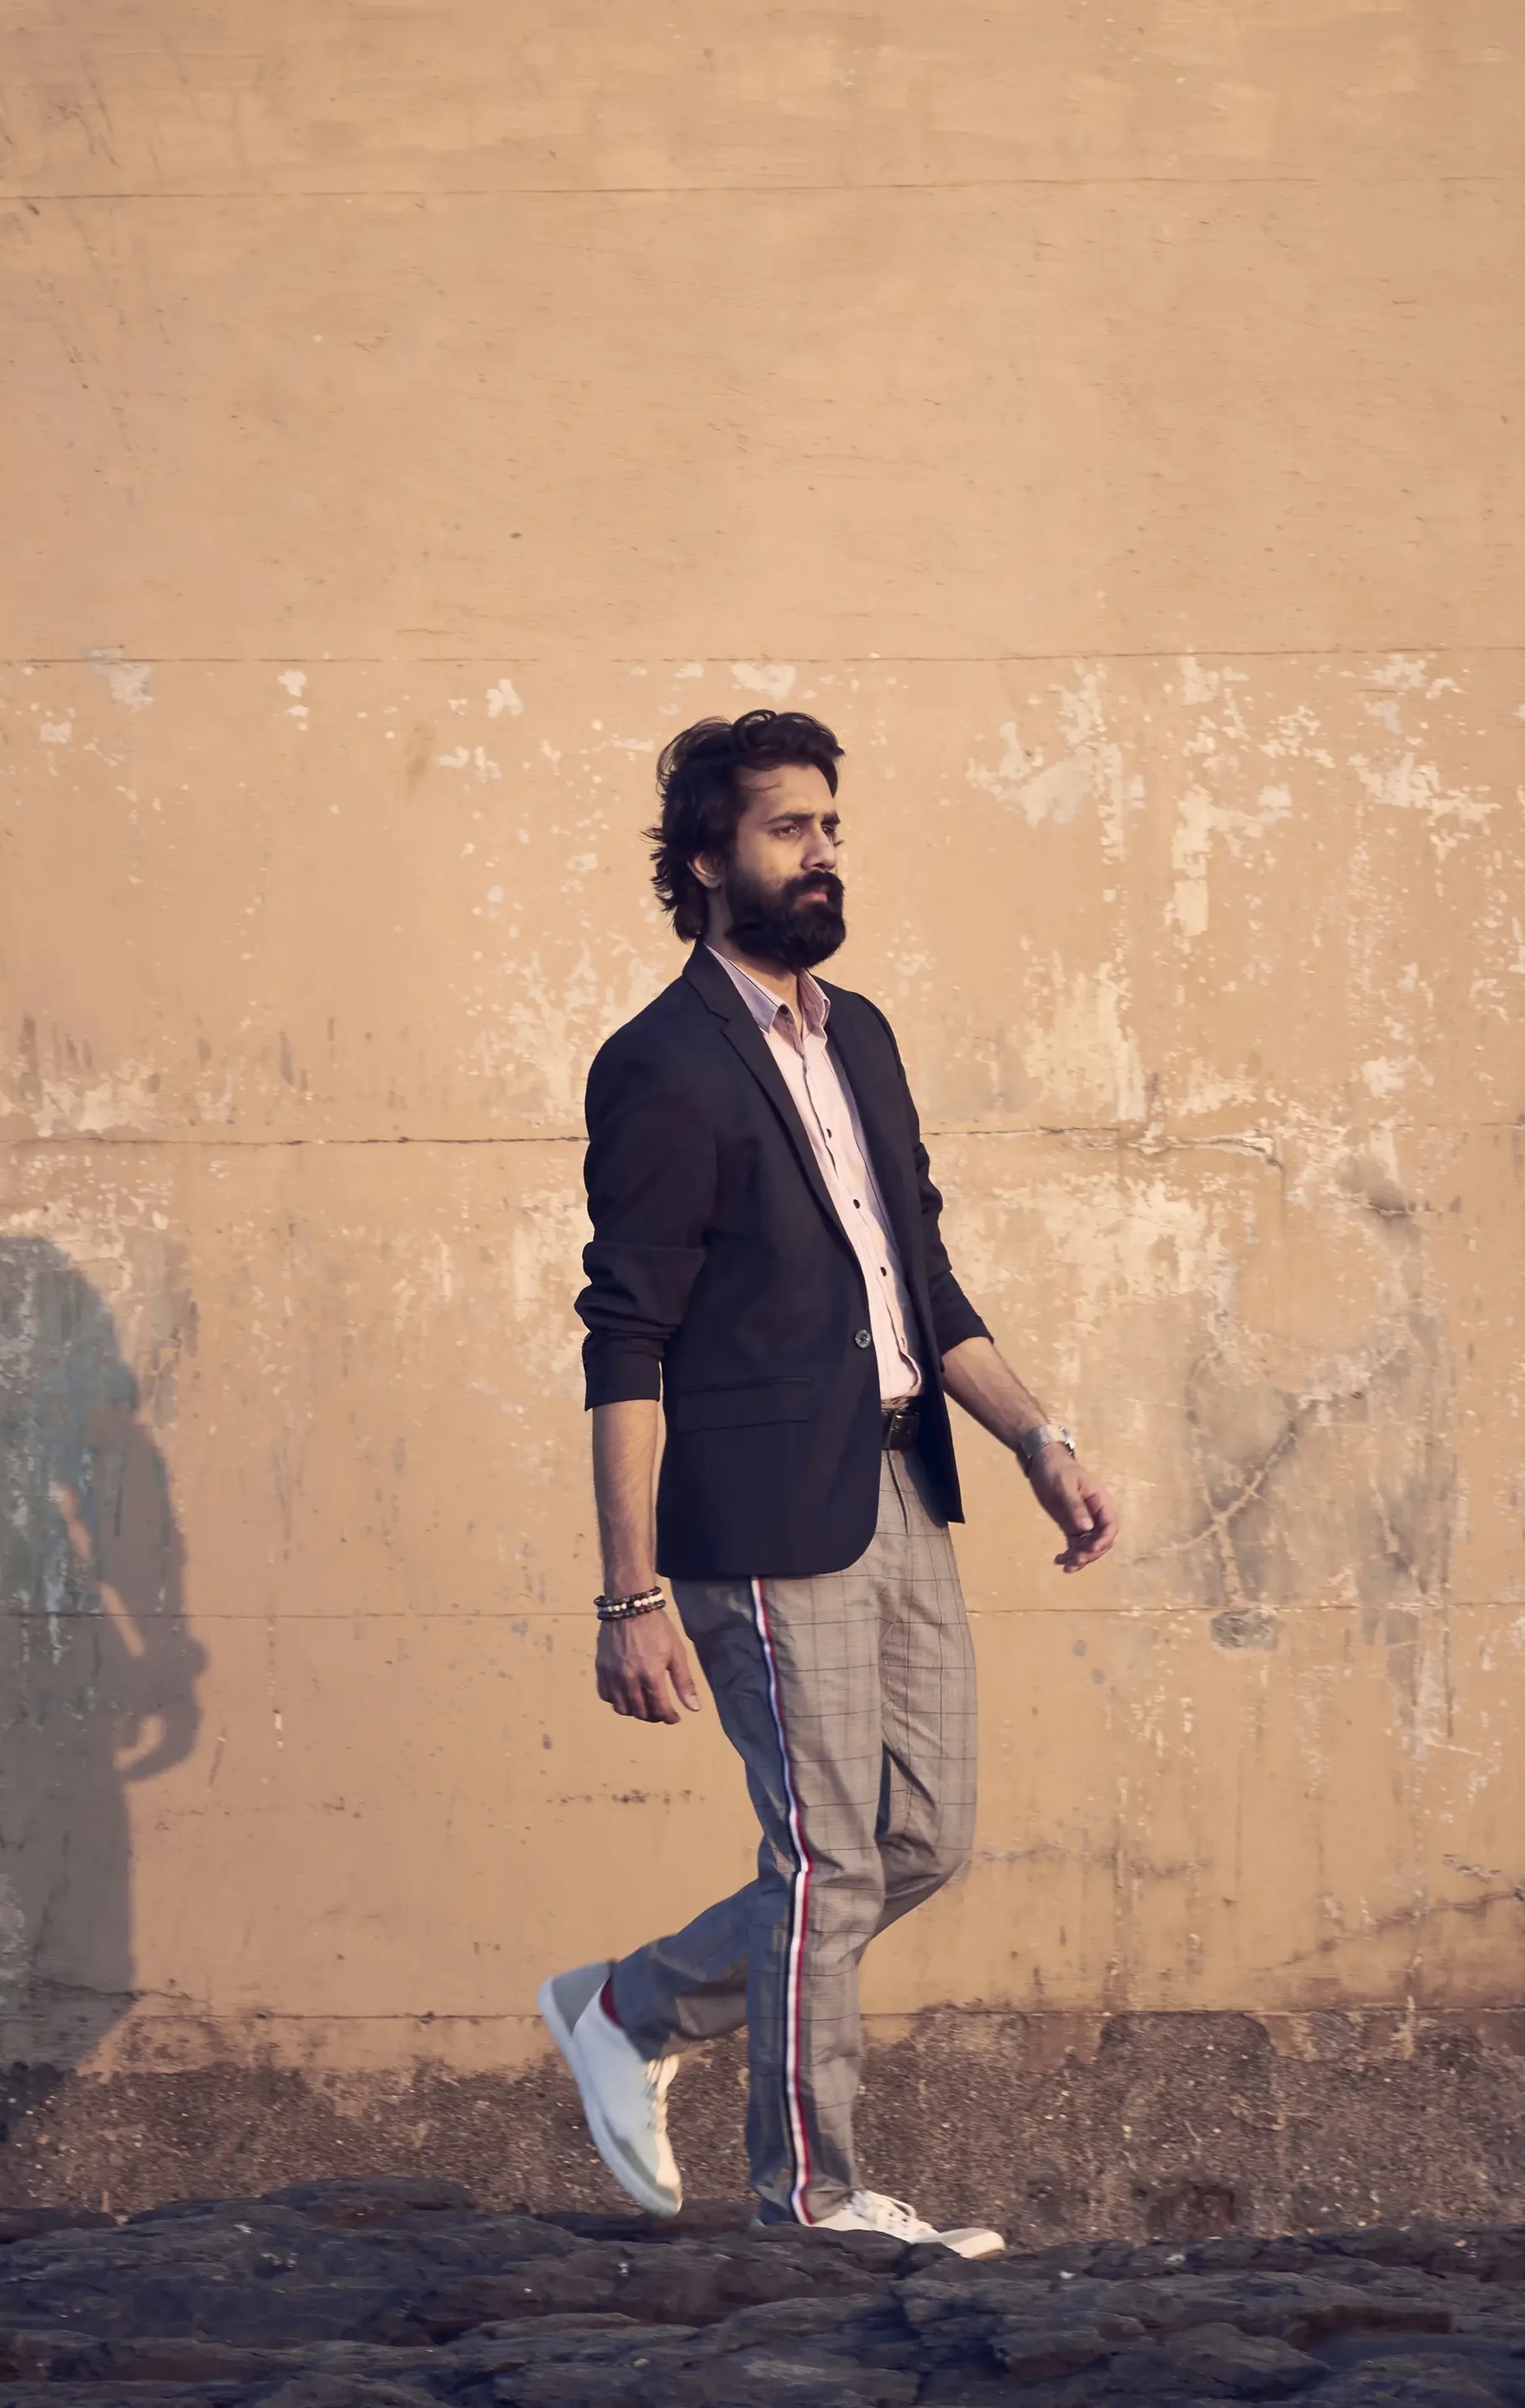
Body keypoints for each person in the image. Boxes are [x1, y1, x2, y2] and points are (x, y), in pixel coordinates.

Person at [537, 710, 1119, 2256]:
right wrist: (628, 1595)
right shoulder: (662, 1066)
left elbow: (920, 1276)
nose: (822, 855)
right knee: (826, 1858)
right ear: (704, 860)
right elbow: (626, 1337)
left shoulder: (859, 1034)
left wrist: (1037, 1439)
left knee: (921, 1841)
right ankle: (813, 2199)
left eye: (832, 827)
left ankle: (631, 2009)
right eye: (788, 829)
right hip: (759, 1519)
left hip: (899, 1483)